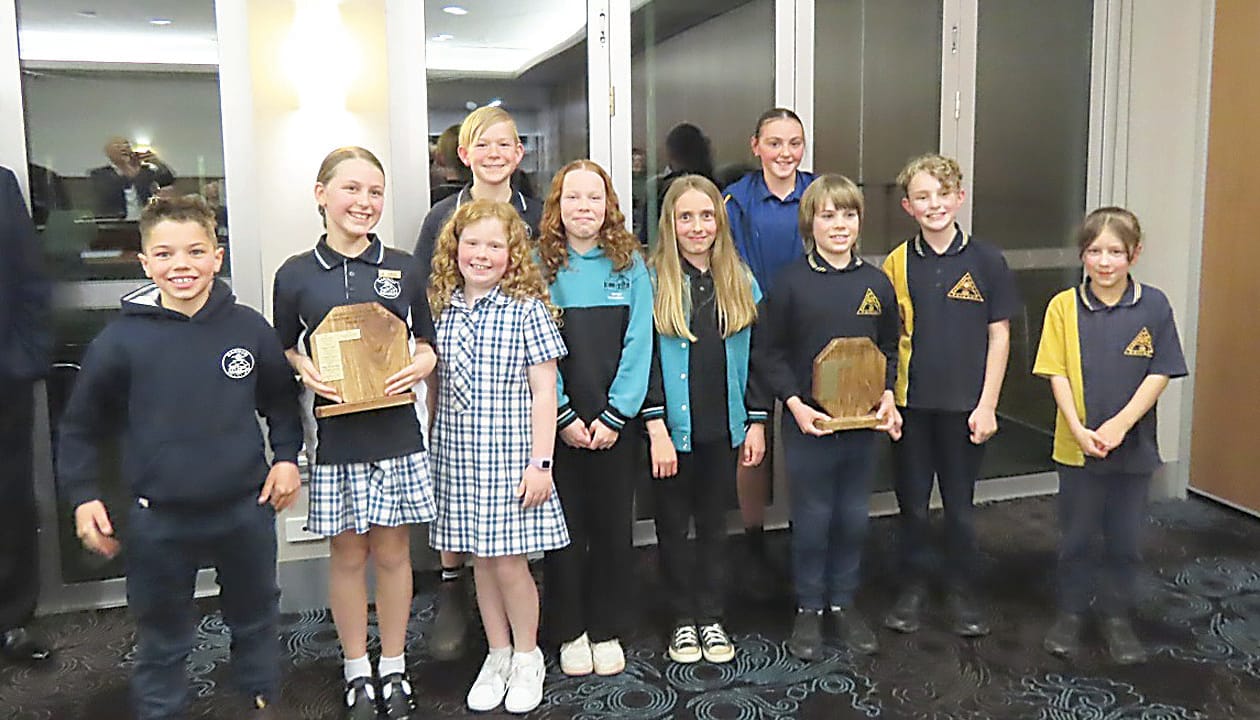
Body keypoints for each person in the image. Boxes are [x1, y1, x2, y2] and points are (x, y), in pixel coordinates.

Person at [56, 194, 302, 718]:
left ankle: (260, 699)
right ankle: (159, 708)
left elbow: (281, 401)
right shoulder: (119, 341)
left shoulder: (248, 329)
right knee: (163, 633)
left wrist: (286, 456)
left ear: (217, 255)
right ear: (145, 264)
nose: (181, 265)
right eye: (165, 254)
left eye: (195, 251)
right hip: (157, 520)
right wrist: (83, 497)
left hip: (243, 508)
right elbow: (79, 428)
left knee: (256, 618)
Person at [273, 147, 438, 720]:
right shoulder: (294, 274)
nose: (363, 202)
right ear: (321, 194)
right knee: (347, 553)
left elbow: (426, 340)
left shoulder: (404, 267)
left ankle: (392, 664)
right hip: (336, 434)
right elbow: (284, 346)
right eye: (350, 189)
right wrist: (301, 365)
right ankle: (354, 668)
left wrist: (422, 362)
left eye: (374, 192)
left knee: (393, 552)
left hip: (395, 428)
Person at [426, 199, 569, 713]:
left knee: (510, 564)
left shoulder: (526, 307)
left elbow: (545, 393)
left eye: (494, 245)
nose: (481, 255)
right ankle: (498, 652)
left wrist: (542, 462)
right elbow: (435, 387)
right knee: (479, 562)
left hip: (511, 459)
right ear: (454, 248)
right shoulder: (440, 306)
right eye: (472, 243)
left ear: (513, 254)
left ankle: (528, 656)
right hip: (457, 457)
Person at [753, 174, 901, 661]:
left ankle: (843, 602)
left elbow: (887, 347)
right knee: (813, 518)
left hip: (861, 427)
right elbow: (769, 353)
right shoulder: (790, 282)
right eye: (828, 215)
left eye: (849, 214)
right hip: (809, 424)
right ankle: (810, 608)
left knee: (854, 517)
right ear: (809, 222)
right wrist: (794, 404)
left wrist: (887, 396)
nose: (840, 225)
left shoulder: (876, 283)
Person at [414, 109, 541, 661]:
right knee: (463, 516)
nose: (494, 153)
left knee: (511, 545)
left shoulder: (539, 215)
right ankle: (453, 594)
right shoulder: (442, 216)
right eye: (481, 143)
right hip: (457, 376)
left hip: (521, 380)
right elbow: (424, 300)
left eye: (505, 144)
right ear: (464, 153)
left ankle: (525, 639)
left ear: (519, 153)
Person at [1033, 207, 1187, 665]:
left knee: (1124, 539)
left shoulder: (1154, 305)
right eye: (1094, 251)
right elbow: (1055, 372)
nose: (1104, 262)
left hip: (1133, 449)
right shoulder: (1063, 306)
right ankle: (1071, 613)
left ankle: (1118, 616)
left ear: (1134, 254)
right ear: (1082, 255)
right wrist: (1079, 430)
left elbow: (1161, 370)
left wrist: (1121, 425)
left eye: (1115, 252)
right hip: (1076, 448)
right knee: (1077, 536)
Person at [880, 154, 1019, 638]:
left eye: (942, 194)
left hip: (966, 409)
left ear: (960, 198)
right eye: (922, 197)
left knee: (960, 506)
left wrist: (988, 405)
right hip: (911, 406)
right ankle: (913, 585)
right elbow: (886, 337)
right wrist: (888, 400)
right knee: (913, 504)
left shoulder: (986, 260)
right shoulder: (897, 263)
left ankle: (961, 588)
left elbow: (999, 336)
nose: (933, 204)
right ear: (908, 206)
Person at [641, 175, 767, 665]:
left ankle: (711, 616)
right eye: (685, 217)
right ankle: (679, 619)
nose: (697, 227)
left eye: (706, 216)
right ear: (670, 223)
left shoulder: (741, 279)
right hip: (670, 433)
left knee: (715, 526)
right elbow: (643, 361)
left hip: (723, 428)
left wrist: (755, 421)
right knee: (672, 527)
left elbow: (758, 358)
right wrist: (655, 428)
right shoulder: (651, 282)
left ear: (720, 221)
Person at [537, 160, 652, 677]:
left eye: (593, 198)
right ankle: (570, 629)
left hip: (614, 427)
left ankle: (607, 627)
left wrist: (615, 414)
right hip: (557, 426)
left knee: (611, 529)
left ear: (608, 206)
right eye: (572, 199)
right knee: (564, 532)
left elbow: (639, 345)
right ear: (556, 207)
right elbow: (538, 353)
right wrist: (563, 415)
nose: (583, 208)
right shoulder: (541, 267)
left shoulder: (630, 265)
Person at [722, 107, 816, 601]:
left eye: (794, 143)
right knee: (751, 440)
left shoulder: (820, 195)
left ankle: (808, 533)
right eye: (775, 143)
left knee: (808, 432)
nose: (785, 153)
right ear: (755, 145)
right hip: (752, 329)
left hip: (811, 333)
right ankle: (754, 538)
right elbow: (729, 264)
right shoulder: (734, 201)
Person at [0, 165, 52, 666]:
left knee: (10, 499)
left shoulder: (0, 184)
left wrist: (24, 360)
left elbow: (29, 280)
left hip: (3, 380)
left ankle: (12, 621)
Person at [89, 136, 176, 219]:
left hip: (145, 220)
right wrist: (126, 168)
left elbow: (167, 180)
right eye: (118, 146)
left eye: (126, 145)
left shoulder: (144, 171)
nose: (124, 148)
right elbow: (107, 192)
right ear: (108, 153)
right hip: (114, 222)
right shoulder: (99, 174)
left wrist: (157, 162)